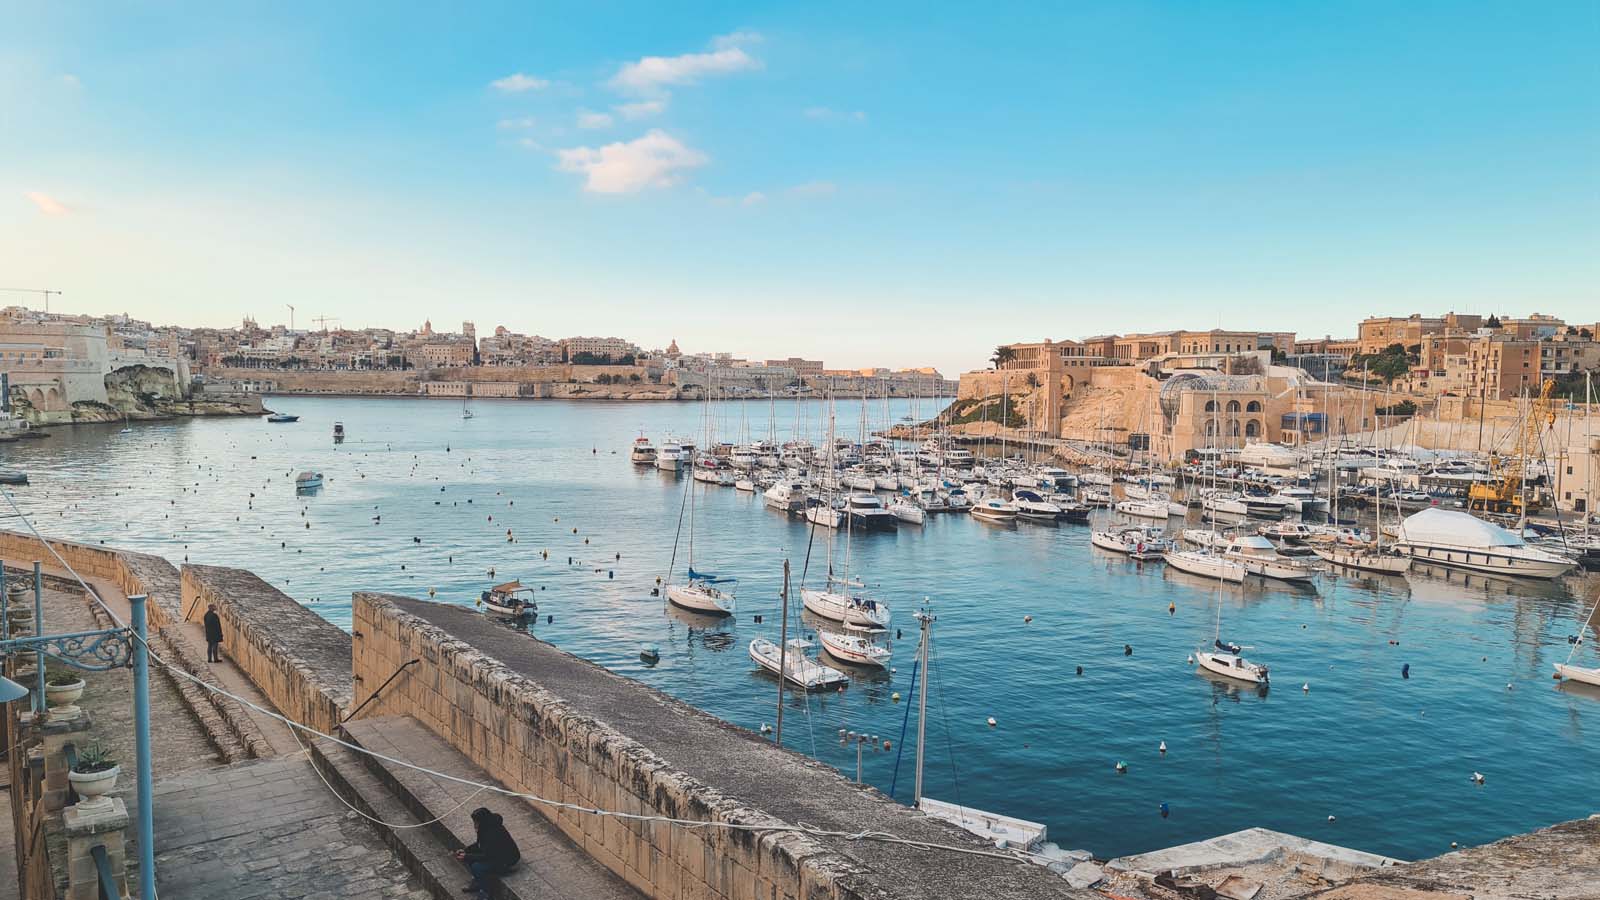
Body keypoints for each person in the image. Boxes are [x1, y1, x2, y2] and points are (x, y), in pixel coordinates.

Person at [455, 807, 519, 896]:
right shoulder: (484, 827)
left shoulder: (492, 833)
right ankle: (478, 882)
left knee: (477, 867)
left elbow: (489, 855)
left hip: (506, 860)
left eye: (476, 822)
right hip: (494, 855)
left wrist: (467, 856)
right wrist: (466, 850)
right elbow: (480, 844)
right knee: (471, 859)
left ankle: (485, 893)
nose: (475, 824)